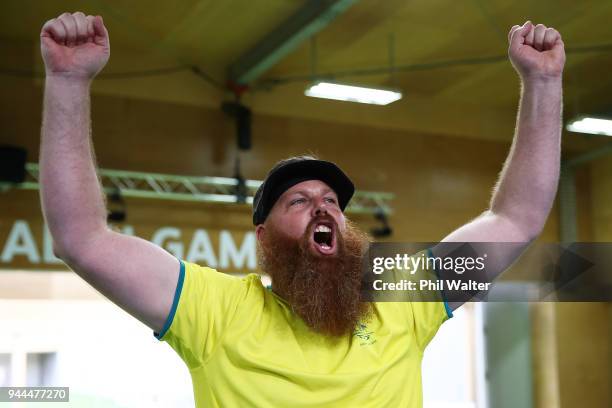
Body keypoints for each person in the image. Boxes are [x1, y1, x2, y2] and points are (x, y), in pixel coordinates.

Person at [39, 11, 565, 407]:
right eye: (299, 201)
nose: (323, 209)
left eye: (332, 201)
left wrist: (542, 83)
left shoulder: (401, 299)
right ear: (263, 237)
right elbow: (81, 239)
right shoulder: (215, 312)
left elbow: (514, 220)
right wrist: (68, 82)